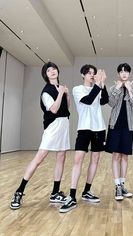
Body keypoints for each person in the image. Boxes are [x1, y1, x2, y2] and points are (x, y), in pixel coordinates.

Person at [10, 62, 70, 210]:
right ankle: (19, 191)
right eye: (48, 70)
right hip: (53, 126)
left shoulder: (60, 88)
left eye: (54, 69)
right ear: (46, 75)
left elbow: (66, 108)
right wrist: (61, 92)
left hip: (64, 124)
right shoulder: (46, 92)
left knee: (61, 156)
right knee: (39, 158)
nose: (52, 71)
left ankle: (55, 192)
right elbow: (54, 110)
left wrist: (66, 94)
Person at [59, 65, 108, 213]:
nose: (92, 75)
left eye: (94, 73)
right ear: (82, 75)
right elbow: (88, 100)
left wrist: (103, 84)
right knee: (78, 160)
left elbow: (104, 100)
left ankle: (87, 191)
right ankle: (72, 196)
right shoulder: (77, 89)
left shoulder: (98, 88)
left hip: (99, 128)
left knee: (95, 159)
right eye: (89, 73)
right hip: (84, 128)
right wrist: (98, 84)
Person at [105, 63, 133, 201]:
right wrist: (118, 88)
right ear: (118, 74)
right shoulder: (113, 88)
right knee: (116, 155)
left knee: (125, 156)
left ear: (129, 74)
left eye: (126, 71)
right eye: (121, 72)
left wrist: (130, 90)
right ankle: (117, 187)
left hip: (129, 125)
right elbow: (111, 103)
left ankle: (123, 184)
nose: (124, 74)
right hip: (115, 125)